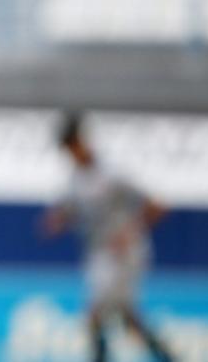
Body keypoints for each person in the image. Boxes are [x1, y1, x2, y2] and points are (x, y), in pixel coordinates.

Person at [43, 114, 173, 362]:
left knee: (95, 315)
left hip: (124, 255)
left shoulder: (112, 173)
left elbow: (157, 205)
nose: (71, 154)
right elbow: (72, 210)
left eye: (72, 146)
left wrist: (130, 231)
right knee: (127, 320)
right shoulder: (76, 179)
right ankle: (171, 357)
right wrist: (58, 221)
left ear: (80, 141)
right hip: (99, 256)